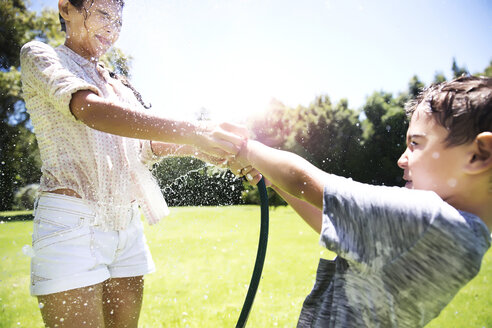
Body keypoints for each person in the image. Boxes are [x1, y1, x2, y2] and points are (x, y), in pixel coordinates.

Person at [19, 0, 244, 326]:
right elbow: (91, 111)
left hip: (126, 226)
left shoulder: (116, 82)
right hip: (71, 227)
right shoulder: (41, 56)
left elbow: (142, 146)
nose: (112, 28)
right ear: (66, 8)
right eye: (103, 14)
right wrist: (197, 132)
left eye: (119, 21)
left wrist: (206, 150)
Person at [225, 75, 492, 327]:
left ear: (479, 155)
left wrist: (245, 148)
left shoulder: (437, 222)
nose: (402, 159)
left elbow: (306, 182)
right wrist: (274, 182)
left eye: (415, 144)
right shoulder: (457, 235)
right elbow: (330, 219)